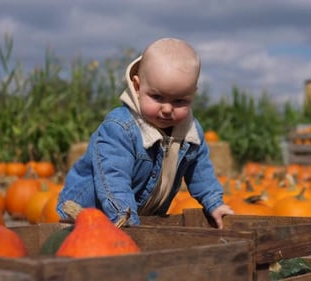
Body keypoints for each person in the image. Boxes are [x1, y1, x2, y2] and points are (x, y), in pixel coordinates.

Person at [57, 37, 234, 228]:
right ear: (137, 87)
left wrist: (215, 204)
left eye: (179, 101)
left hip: (142, 218)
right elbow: (114, 180)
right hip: (91, 215)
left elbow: (201, 172)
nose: (167, 109)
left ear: (193, 94)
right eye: (157, 97)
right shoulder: (120, 128)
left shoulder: (191, 132)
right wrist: (126, 220)